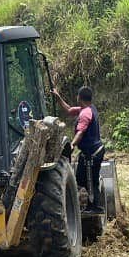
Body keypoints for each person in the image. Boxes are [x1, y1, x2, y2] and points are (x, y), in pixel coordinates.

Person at [51, 86, 105, 214]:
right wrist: (58, 97)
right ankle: (90, 204)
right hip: (88, 152)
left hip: (93, 153)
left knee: (91, 179)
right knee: (80, 178)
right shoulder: (85, 109)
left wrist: (72, 145)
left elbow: (80, 132)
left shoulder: (85, 114)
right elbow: (69, 110)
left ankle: (96, 207)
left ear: (80, 98)